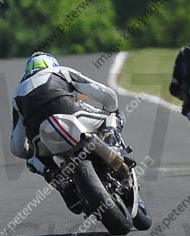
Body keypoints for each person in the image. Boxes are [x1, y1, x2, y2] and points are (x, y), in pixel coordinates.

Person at [10, 52, 121, 213]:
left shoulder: (17, 93)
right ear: (51, 63)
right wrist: (113, 109)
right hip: (69, 110)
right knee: (110, 116)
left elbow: (17, 147)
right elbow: (105, 94)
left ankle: (55, 176)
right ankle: (111, 141)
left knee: (32, 159)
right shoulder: (60, 71)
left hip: (37, 130)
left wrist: (32, 153)